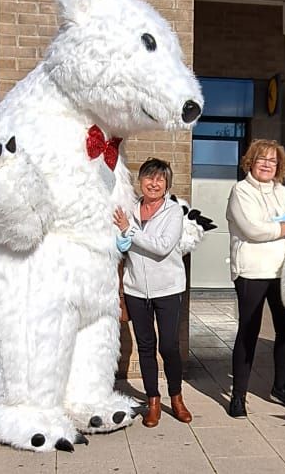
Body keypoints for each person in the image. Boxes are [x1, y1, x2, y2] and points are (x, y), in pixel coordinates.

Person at [225, 139, 285, 418]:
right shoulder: (240, 191)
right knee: (249, 332)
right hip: (252, 272)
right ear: (250, 162)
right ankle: (238, 396)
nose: (267, 164)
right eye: (262, 159)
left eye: (272, 160)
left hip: (281, 271)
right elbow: (254, 230)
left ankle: (281, 386)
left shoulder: (281, 192)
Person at [113, 158, 193, 427]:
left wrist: (128, 229)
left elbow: (161, 246)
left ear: (167, 183)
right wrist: (121, 235)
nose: (154, 183)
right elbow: (121, 244)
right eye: (149, 177)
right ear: (141, 181)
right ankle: (153, 401)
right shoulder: (130, 209)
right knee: (145, 347)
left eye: (160, 179)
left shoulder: (173, 212)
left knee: (169, 346)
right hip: (136, 289)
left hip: (168, 289)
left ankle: (177, 397)